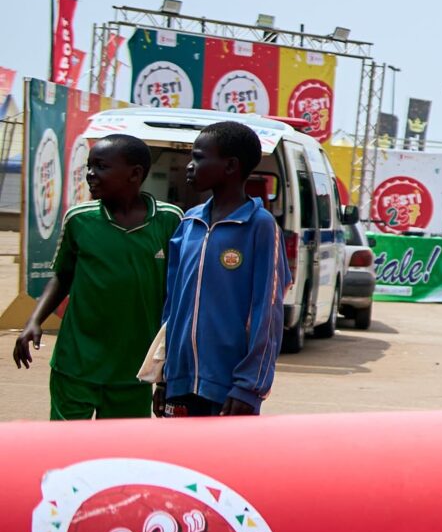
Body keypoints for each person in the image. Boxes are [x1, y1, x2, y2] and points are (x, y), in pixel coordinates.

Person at [13, 134, 182, 420]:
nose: (90, 174)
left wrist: (166, 374)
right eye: (89, 167)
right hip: (76, 363)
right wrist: (34, 321)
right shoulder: (79, 219)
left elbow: (177, 295)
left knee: (120, 447)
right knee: (67, 443)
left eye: (101, 167)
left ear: (135, 174)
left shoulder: (170, 220)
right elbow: (63, 276)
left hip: (134, 370)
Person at [155, 120, 286, 417]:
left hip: (229, 389)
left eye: (198, 158)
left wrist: (249, 386)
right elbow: (172, 307)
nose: (190, 166)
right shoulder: (189, 222)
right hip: (179, 381)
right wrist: (163, 374)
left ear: (230, 166)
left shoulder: (260, 226)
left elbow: (268, 313)